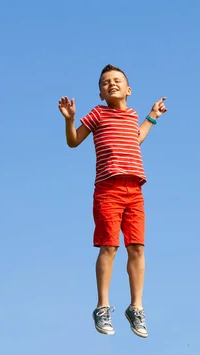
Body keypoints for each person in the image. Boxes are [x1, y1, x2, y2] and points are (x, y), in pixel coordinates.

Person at [58, 64, 167, 338]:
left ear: (129, 90)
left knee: (137, 248)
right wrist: (70, 120)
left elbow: (136, 138)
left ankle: (136, 307)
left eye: (117, 80)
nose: (112, 84)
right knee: (109, 247)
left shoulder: (131, 117)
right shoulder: (98, 114)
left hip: (135, 189)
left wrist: (152, 116)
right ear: (100, 93)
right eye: (106, 82)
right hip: (108, 189)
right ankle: (103, 306)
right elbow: (74, 142)